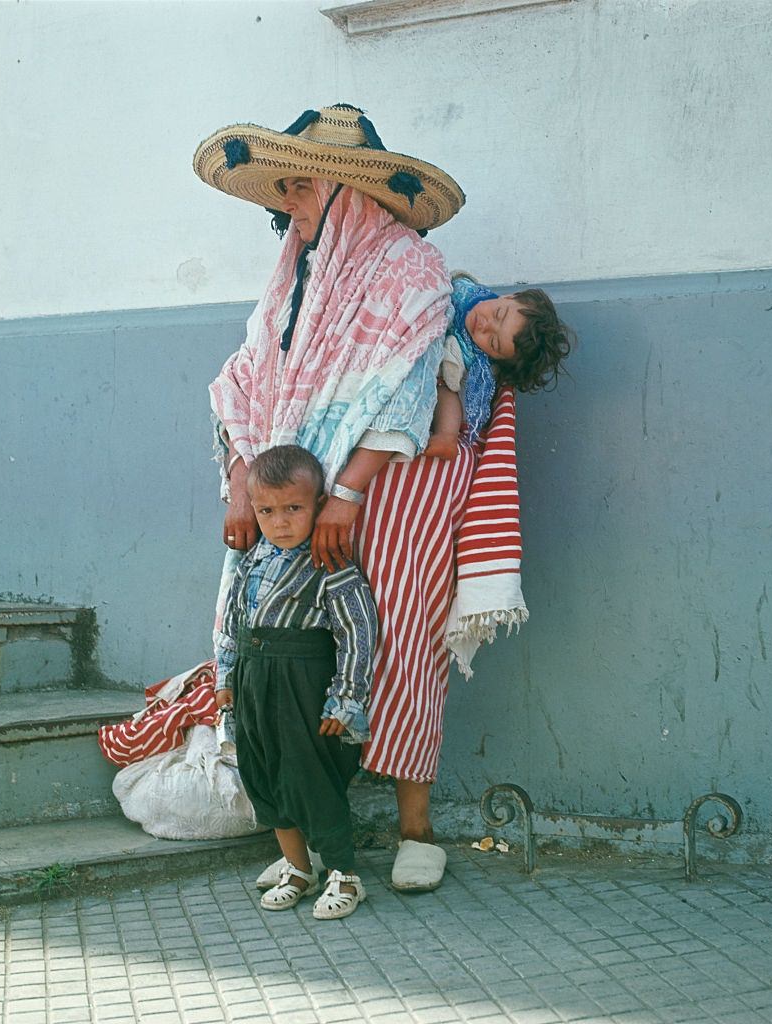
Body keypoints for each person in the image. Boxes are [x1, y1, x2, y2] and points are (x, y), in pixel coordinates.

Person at [194, 103, 568, 893]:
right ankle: (317, 841)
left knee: (401, 643)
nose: (286, 201)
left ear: (343, 188)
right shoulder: (296, 274)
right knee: (302, 658)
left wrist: (349, 494)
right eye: (283, 187)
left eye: (299, 185)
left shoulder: (412, 270)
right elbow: (246, 378)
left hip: (401, 494)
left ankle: (414, 829)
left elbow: (405, 385)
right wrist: (241, 483)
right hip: (297, 498)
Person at [213, 445, 376, 920]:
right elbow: (232, 624)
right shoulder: (250, 565)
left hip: (303, 682)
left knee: (309, 777)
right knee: (263, 774)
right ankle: (297, 867)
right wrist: (226, 677)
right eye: (266, 510)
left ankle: (344, 875)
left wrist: (344, 699)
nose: (280, 522)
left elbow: (357, 632)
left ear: (318, 506)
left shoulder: (330, 564)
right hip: (252, 680)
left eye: (293, 508)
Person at [425, 275, 573, 460]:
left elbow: (453, 376)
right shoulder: (474, 292)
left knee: (447, 389)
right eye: (498, 314)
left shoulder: (476, 362)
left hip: (435, 368)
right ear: (509, 296)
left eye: (493, 342)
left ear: (495, 358)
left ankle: (447, 436)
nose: (485, 326)